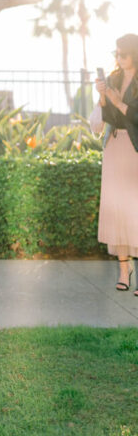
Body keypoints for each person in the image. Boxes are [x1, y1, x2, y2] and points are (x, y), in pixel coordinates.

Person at [91, 33, 138, 293]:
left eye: (124, 54)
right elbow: (105, 118)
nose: (119, 59)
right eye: (116, 54)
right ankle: (124, 270)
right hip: (115, 147)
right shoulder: (113, 79)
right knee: (119, 211)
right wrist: (102, 97)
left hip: (136, 149)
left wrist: (119, 102)